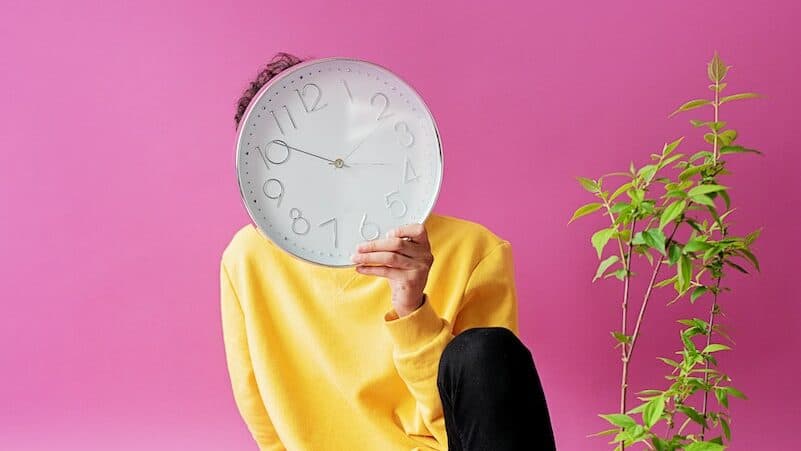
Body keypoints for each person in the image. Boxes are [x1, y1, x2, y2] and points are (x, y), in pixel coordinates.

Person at [220, 52, 556, 451]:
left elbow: (479, 428)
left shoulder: (474, 251)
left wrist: (412, 308)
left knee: (484, 349)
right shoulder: (249, 259)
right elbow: (261, 413)